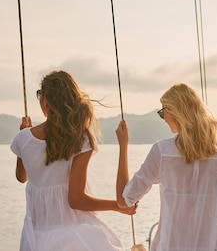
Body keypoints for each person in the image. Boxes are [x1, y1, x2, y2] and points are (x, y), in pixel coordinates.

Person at [11, 70, 135, 251]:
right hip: (75, 237)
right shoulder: (80, 138)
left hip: (36, 239)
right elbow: (76, 200)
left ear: (45, 101)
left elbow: (22, 177)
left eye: (40, 96)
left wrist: (24, 136)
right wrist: (117, 206)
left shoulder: (23, 138)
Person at [116, 83, 217, 251]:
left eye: (163, 111)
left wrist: (123, 147)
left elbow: (123, 200)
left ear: (175, 111)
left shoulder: (162, 152)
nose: (164, 117)